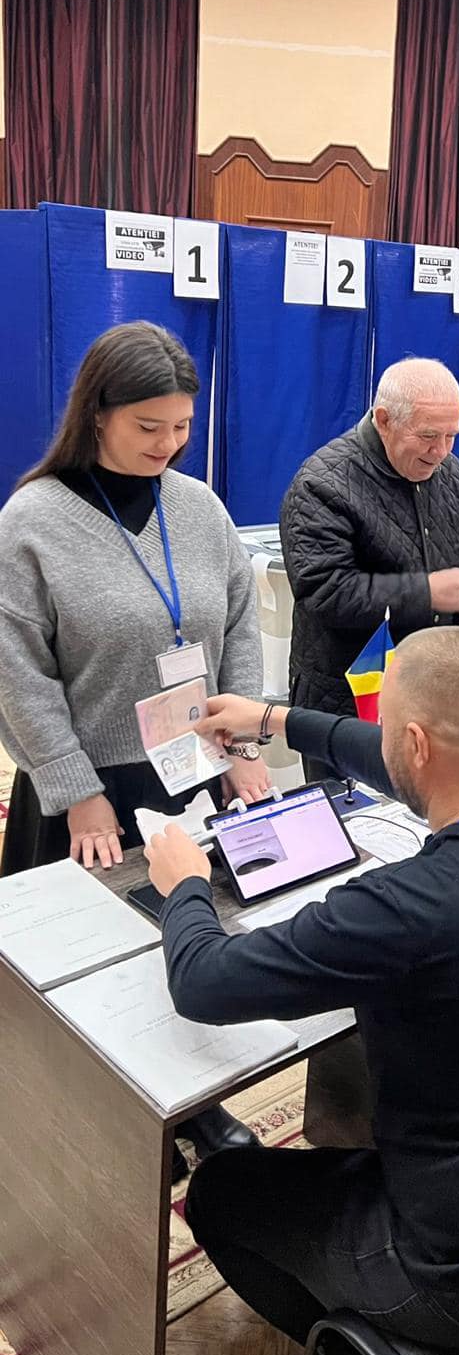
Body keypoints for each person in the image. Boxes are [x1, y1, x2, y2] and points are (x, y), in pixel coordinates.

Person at [144, 627, 459, 1354]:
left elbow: (202, 981)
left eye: (389, 734)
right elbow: (396, 764)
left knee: (222, 1193)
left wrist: (185, 883)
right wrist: (273, 721)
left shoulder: (408, 908)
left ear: (413, 744)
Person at [0, 321, 268, 1161]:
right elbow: (17, 672)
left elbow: (240, 625)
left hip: (187, 769)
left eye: (182, 426)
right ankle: (75, 1119)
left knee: (184, 938)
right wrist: (73, 785)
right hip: (86, 792)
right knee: (84, 971)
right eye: (149, 427)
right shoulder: (33, 520)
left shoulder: (200, 507)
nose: (169, 443)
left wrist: (246, 739)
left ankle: (190, 1104)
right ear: (98, 414)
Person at [280, 358, 459, 723]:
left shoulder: (451, 474)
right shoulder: (321, 483)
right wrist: (426, 593)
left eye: (452, 435)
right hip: (345, 698)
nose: (441, 451)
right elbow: (325, 593)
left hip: (432, 688)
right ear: (384, 420)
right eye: (428, 435)